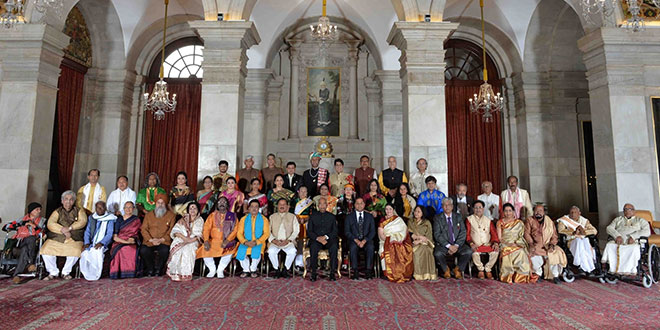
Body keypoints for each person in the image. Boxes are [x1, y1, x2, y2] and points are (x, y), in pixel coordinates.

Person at [40, 190, 88, 280]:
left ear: (74, 201)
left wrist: (70, 228)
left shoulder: (79, 211)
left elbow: (82, 222)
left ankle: (66, 272)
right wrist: (62, 230)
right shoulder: (57, 211)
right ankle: (53, 272)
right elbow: (50, 223)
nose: (68, 202)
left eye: (71, 200)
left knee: (76, 251)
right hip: (57, 237)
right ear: (62, 201)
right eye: (66, 199)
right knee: (46, 249)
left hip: (74, 238)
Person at [602, 203, 651, 275]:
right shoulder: (618, 220)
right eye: (625, 209)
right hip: (619, 240)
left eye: (630, 209)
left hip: (633, 241)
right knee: (610, 245)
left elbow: (647, 231)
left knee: (633, 248)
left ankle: (630, 270)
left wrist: (633, 236)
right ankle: (613, 269)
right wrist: (617, 236)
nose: (627, 211)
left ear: (634, 211)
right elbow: (609, 228)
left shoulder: (640, 220)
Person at [3, 202, 46, 284]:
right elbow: (5, 227)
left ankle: (16, 275)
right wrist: (21, 224)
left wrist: (34, 226)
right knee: (25, 246)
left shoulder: (42, 221)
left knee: (28, 243)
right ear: (31, 211)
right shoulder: (21, 219)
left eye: (40, 209)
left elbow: (43, 234)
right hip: (18, 246)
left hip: (33, 246)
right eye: (37, 209)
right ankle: (30, 264)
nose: (39, 211)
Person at [197, 197, 239, 278]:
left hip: (227, 241)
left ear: (227, 204)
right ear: (217, 205)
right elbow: (206, 228)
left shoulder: (232, 216)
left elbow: (235, 230)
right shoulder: (212, 215)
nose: (222, 203)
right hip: (213, 241)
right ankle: (212, 269)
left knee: (230, 251)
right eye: (220, 202)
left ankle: (220, 269)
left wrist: (227, 241)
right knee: (204, 249)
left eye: (224, 202)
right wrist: (206, 241)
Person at [524, 204, 567, 283]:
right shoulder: (529, 220)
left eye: (540, 211)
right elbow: (526, 233)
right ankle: (538, 273)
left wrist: (552, 244)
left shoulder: (549, 221)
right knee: (532, 255)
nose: (538, 212)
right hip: (535, 245)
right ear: (533, 212)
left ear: (544, 212)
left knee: (557, 253)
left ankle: (555, 275)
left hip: (548, 245)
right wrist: (531, 244)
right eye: (536, 210)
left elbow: (554, 236)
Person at [432, 198, 471, 279]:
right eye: (445, 205)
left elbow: (463, 232)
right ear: (442, 207)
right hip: (444, 245)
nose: (447, 207)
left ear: (452, 206)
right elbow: (437, 234)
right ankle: (446, 269)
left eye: (449, 205)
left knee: (468, 251)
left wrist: (456, 245)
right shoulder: (437, 218)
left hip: (457, 244)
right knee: (437, 253)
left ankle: (458, 269)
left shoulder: (458, 216)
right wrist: (449, 246)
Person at [140, 193, 176, 276]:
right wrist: (150, 239)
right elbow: (143, 229)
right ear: (155, 204)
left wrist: (162, 239)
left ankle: (158, 270)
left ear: (165, 204)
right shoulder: (148, 215)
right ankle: (150, 269)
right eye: (158, 203)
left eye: (162, 203)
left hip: (164, 241)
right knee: (143, 250)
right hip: (150, 241)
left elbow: (172, 230)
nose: (160, 205)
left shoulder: (171, 215)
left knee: (164, 251)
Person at [497, 203, 534, 283]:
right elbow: (500, 238)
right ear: (503, 212)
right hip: (505, 243)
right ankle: (508, 276)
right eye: (506, 211)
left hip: (517, 243)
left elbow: (521, 236)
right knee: (506, 251)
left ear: (513, 212)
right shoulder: (500, 222)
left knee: (521, 252)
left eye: (510, 211)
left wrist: (517, 243)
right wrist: (508, 244)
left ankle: (520, 277)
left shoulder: (519, 223)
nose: (508, 213)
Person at [166, 202, 204, 281]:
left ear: (198, 210)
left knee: (187, 250)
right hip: (181, 238)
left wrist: (189, 240)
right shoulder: (183, 219)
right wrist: (184, 238)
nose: (192, 210)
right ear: (188, 210)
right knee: (178, 249)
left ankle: (185, 275)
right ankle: (175, 274)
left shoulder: (200, 220)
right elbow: (176, 231)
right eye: (190, 208)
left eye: (194, 208)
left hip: (193, 240)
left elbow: (199, 234)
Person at [79, 201, 116, 281]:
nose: (99, 209)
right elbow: (87, 231)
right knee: (85, 253)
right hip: (92, 242)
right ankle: (88, 274)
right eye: (97, 208)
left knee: (97, 252)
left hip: (104, 243)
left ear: (105, 208)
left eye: (101, 207)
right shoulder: (92, 217)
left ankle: (96, 274)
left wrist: (102, 243)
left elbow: (109, 234)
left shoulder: (110, 218)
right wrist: (87, 243)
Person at [557, 206, 598, 274]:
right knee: (579, 242)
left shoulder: (584, 221)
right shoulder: (564, 220)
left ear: (579, 213)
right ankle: (583, 266)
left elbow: (594, 230)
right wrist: (573, 232)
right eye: (571, 212)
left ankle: (585, 267)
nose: (573, 214)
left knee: (584, 242)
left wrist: (583, 231)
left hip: (583, 240)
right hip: (571, 241)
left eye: (575, 212)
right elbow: (560, 231)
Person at [378, 204, 413, 283]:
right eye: (386, 209)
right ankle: (388, 273)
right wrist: (389, 241)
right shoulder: (382, 220)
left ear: (393, 210)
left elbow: (403, 232)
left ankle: (401, 273)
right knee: (384, 249)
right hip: (385, 241)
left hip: (399, 241)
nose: (388, 211)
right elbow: (381, 235)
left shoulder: (398, 220)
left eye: (390, 209)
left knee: (401, 250)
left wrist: (395, 240)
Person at [307, 198, 339, 282]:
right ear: (318, 206)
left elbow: (335, 231)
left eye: (324, 204)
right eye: (320, 204)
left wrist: (325, 237)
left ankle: (332, 273)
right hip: (316, 239)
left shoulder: (331, 217)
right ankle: (313, 273)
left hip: (328, 239)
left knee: (334, 247)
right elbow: (309, 231)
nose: (322, 206)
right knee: (313, 247)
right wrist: (318, 238)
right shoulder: (312, 216)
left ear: (327, 205)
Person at [466, 201, 499, 279]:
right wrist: (471, 243)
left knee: (496, 251)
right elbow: (467, 234)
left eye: (480, 207)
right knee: (474, 253)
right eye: (476, 208)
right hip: (475, 245)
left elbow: (493, 233)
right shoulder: (469, 219)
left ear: (483, 209)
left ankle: (488, 269)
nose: (478, 209)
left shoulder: (488, 220)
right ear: (473, 209)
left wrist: (495, 243)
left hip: (487, 244)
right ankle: (480, 270)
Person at [236, 200, 270, 277]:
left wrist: (257, 242)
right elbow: (239, 233)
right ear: (248, 208)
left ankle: (253, 269)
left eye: (256, 207)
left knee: (257, 252)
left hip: (259, 242)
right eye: (252, 206)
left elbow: (266, 233)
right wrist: (244, 242)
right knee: (241, 252)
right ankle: (246, 269)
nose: (254, 209)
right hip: (246, 242)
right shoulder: (243, 219)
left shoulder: (264, 219)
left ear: (259, 209)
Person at [267, 198, 299, 278]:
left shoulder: (292, 217)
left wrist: (288, 240)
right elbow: (268, 231)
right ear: (277, 206)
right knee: (271, 251)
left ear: (287, 206)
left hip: (288, 242)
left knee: (292, 251)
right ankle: (277, 269)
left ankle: (285, 269)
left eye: (284, 204)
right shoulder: (272, 217)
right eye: (280, 204)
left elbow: (296, 231)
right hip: (275, 242)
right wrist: (273, 240)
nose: (282, 206)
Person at [344, 198, 375, 280]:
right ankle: (355, 271)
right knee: (353, 247)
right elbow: (347, 232)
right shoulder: (349, 217)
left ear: (364, 205)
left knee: (370, 247)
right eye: (357, 203)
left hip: (366, 240)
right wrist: (356, 240)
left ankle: (368, 270)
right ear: (354, 205)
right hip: (354, 240)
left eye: (361, 203)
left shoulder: (369, 216)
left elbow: (372, 231)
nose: (359, 205)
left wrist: (365, 240)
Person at [109, 202, 141, 279]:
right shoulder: (119, 219)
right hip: (119, 241)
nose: (128, 209)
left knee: (131, 250)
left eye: (130, 207)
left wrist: (134, 238)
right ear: (123, 209)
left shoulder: (136, 220)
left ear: (133, 209)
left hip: (131, 242)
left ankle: (130, 273)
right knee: (120, 250)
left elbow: (139, 232)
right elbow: (115, 237)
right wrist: (126, 242)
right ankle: (118, 273)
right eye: (126, 207)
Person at [408, 205, 437, 280]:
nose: (416, 213)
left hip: (425, 243)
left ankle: (427, 274)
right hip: (413, 243)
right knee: (414, 252)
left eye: (418, 212)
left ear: (422, 213)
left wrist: (420, 240)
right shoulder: (410, 221)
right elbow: (408, 233)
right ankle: (417, 274)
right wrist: (415, 239)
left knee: (424, 251)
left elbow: (429, 237)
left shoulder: (427, 223)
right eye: (415, 211)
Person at [293, 186, 314, 268]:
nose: (303, 193)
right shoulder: (294, 201)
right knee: (297, 242)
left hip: (307, 223)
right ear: (298, 192)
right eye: (301, 191)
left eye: (305, 191)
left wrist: (306, 219)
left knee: (306, 241)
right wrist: (297, 219)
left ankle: (305, 262)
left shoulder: (310, 202)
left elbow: (312, 213)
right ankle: (297, 262)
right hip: (296, 222)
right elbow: (291, 212)